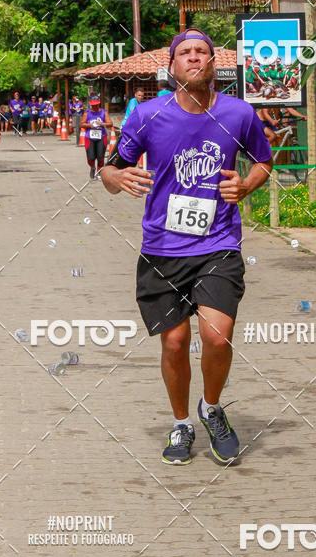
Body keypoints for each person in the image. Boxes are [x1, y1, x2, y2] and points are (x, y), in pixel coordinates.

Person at [101, 28, 273, 465]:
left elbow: (263, 161)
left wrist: (246, 184)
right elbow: (109, 169)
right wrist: (116, 179)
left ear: (214, 64)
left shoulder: (238, 114)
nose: (195, 59)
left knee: (217, 335)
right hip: (161, 249)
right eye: (186, 53)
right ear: (172, 66)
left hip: (218, 245)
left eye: (203, 53)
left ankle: (212, 409)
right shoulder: (146, 115)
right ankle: (181, 424)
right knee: (175, 344)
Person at [84, 94, 113, 178]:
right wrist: (89, 125)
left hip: (101, 136)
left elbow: (110, 123)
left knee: (100, 157)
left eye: (96, 104)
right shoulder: (87, 113)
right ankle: (92, 167)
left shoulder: (104, 112)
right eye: (93, 105)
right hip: (90, 137)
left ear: (99, 103)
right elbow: (81, 123)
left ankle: (99, 172)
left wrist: (102, 123)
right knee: (91, 157)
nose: (95, 106)